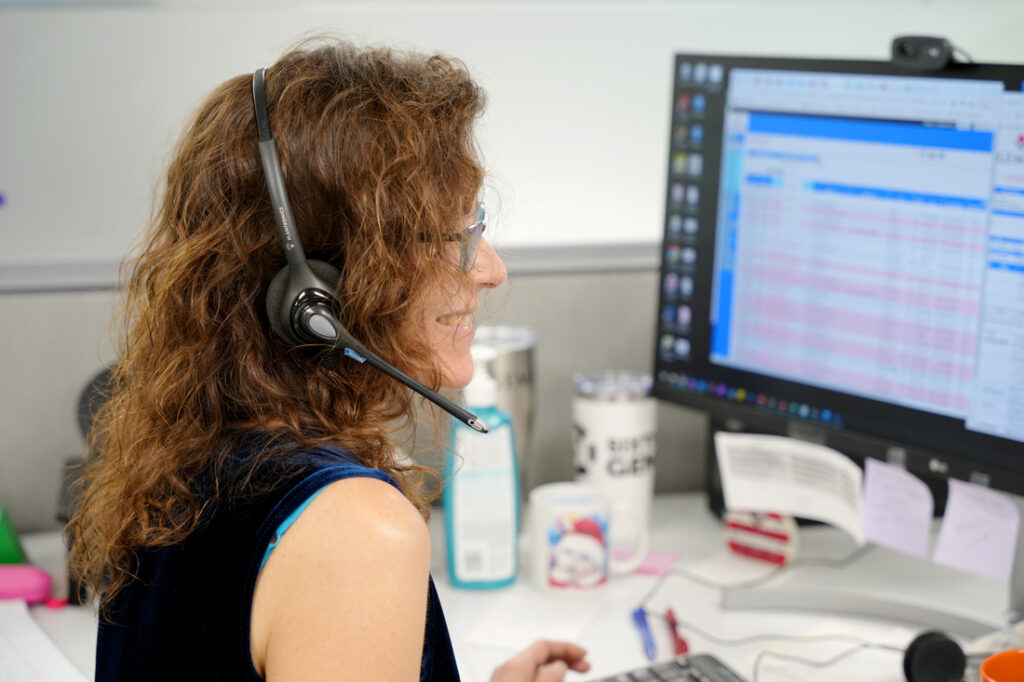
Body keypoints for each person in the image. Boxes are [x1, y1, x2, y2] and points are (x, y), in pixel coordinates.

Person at [68, 37, 591, 682]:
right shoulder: (355, 532)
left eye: (476, 226)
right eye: (453, 236)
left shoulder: (181, 465)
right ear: (316, 288)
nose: (490, 269)